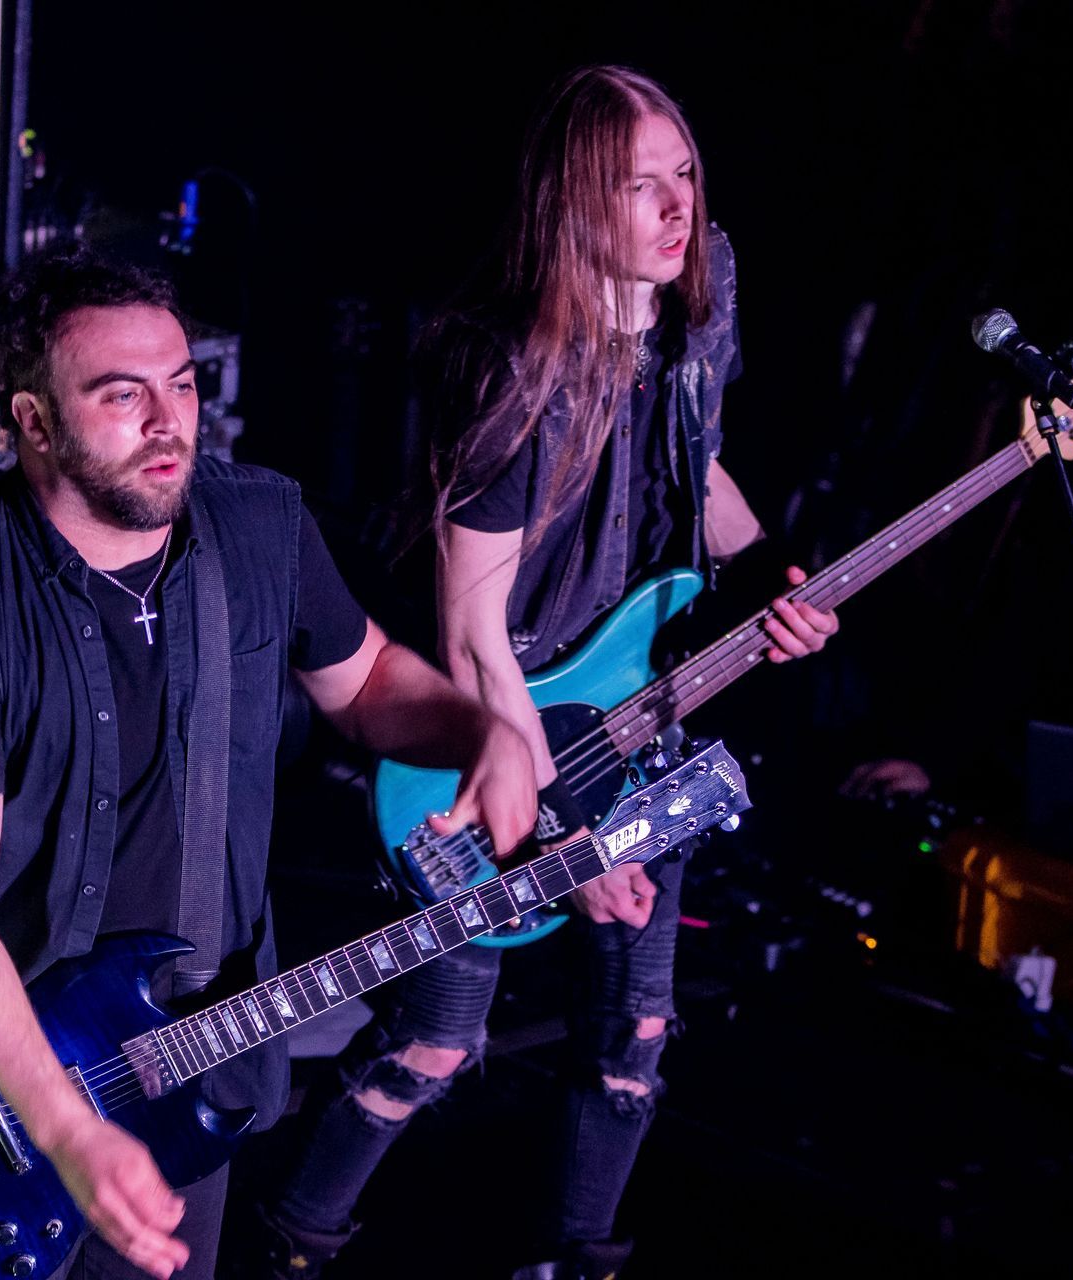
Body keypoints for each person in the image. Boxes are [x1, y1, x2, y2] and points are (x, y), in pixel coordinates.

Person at [247, 66, 839, 1280]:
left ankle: (576, 1261)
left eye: (686, 174)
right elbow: (475, 633)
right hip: (486, 736)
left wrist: (772, 571)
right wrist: (566, 833)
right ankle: (282, 1246)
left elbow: (698, 470)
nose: (677, 207)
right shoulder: (513, 367)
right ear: (576, 203)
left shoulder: (700, 301)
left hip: (631, 706)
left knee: (638, 1033)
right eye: (640, 185)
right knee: (434, 1044)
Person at [0, 244, 540, 1280]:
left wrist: (484, 731)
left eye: (180, 385)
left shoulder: (258, 522)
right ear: (33, 422)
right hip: (4, 1090)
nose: (167, 421)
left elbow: (365, 680)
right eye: (122, 395)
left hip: (198, 1053)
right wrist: (66, 1127)